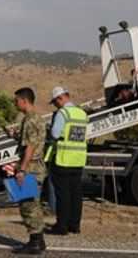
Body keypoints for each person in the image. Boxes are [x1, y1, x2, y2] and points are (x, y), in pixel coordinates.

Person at [45, 86, 89, 236]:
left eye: (55, 102)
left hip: (63, 159)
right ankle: (74, 225)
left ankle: (61, 226)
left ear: (59, 98)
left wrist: (50, 131)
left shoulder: (62, 113)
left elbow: (56, 134)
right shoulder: (82, 114)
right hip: (78, 160)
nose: (55, 105)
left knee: (63, 194)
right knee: (76, 194)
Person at [10, 87, 48, 254]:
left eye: (16, 100)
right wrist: (14, 136)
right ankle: (39, 241)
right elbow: (30, 142)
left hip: (30, 168)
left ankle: (34, 243)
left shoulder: (30, 120)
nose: (15, 103)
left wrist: (22, 170)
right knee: (34, 205)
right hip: (36, 167)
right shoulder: (36, 119)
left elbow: (31, 147)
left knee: (28, 206)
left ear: (24, 101)